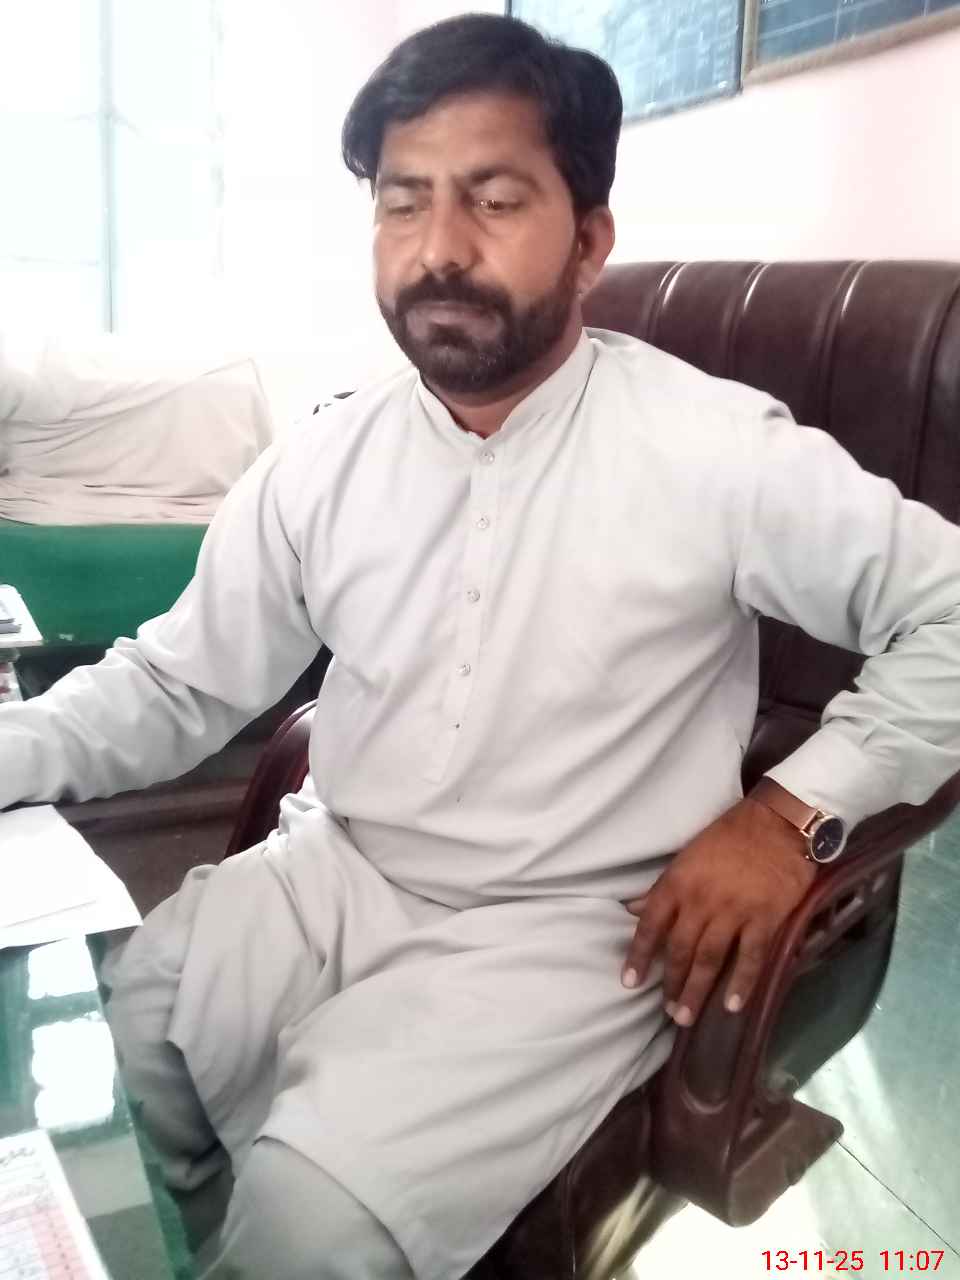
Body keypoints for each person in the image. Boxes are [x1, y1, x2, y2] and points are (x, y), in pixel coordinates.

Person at [2, 13, 959, 1280]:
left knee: (311, 1217)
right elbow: (178, 681)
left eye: (495, 201)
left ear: (589, 239)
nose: (439, 248)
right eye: (403, 203)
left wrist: (788, 817)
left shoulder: (715, 450)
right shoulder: (323, 462)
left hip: (571, 923)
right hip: (339, 863)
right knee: (119, 1056)